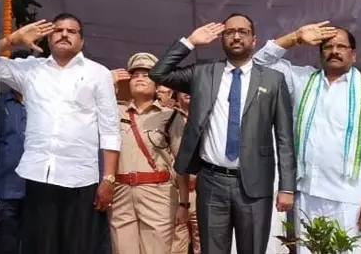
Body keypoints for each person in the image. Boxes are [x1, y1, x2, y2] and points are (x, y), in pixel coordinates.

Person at [148, 13, 296, 254]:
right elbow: (159, 74)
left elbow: (285, 138)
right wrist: (190, 42)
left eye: (243, 32)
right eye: (229, 32)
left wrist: (287, 187)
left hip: (255, 184)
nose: (236, 36)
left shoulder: (273, 79)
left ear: (254, 40)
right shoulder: (203, 73)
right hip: (212, 181)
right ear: (221, 38)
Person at [253, 21, 361, 253]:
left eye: (341, 46)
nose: (334, 51)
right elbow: (259, 63)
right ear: (319, 53)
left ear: (353, 54)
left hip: (349, 197)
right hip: (307, 193)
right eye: (328, 47)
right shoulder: (302, 80)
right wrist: (296, 37)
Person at [0, 13, 121, 254]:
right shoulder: (31, 70)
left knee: (77, 247)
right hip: (38, 175)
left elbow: (110, 128)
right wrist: (11, 40)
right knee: (40, 246)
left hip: (80, 179)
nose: (64, 34)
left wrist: (108, 179)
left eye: (71, 31)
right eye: (58, 30)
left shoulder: (99, 73)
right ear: (48, 38)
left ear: (82, 41)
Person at [109, 53, 189, 254]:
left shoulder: (169, 116)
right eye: (135, 74)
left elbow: (181, 161)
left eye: (146, 74)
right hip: (120, 193)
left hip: (158, 192)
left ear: (158, 83)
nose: (140, 78)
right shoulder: (113, 111)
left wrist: (184, 202)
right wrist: (106, 84)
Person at [0, 87, 26, 254]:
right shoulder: (0, 104)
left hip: (38, 189)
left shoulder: (43, 101)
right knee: (7, 241)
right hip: (7, 187)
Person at [170, 91, 201, 254]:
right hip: (176, 190)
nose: (188, 92)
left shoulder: (208, 116)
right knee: (177, 242)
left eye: (192, 88)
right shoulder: (168, 117)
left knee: (203, 240)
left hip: (202, 190)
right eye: (183, 89)